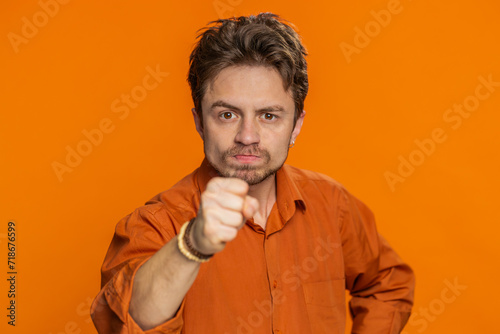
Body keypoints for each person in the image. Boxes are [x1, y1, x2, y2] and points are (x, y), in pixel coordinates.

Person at [90, 12, 415, 334]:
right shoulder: (157, 223)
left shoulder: (333, 204)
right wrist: (192, 244)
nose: (248, 135)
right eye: (228, 114)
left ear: (296, 125)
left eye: (269, 116)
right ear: (200, 122)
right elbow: (126, 320)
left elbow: (388, 283)